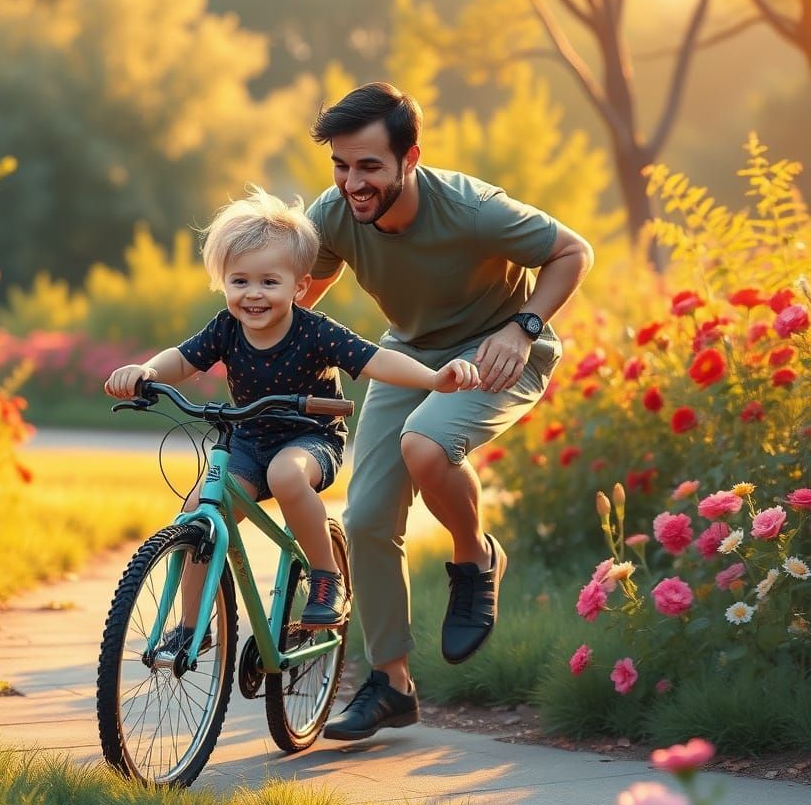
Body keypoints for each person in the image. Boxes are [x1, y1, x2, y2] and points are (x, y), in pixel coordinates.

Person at [299, 82, 593, 741]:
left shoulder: (472, 210)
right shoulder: (335, 214)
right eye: (341, 166)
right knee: (366, 518)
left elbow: (574, 252)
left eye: (369, 166)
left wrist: (522, 327)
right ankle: (391, 685)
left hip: (498, 351)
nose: (352, 183)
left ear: (410, 158)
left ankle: (474, 558)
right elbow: (302, 291)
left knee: (426, 445)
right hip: (410, 354)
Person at [104, 186, 479, 639]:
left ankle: (326, 576)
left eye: (269, 282)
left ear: (299, 287)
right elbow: (183, 360)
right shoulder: (226, 328)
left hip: (312, 440)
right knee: (200, 511)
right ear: (224, 283)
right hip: (249, 441)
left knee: (285, 474)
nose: (253, 295)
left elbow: (375, 359)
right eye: (240, 282)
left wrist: (433, 378)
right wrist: (146, 371)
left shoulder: (315, 331)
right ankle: (190, 626)